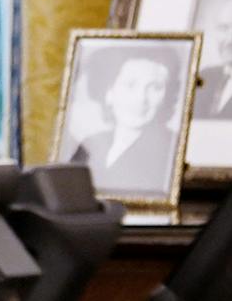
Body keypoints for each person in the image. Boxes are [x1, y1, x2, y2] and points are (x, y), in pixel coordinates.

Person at [70, 47, 179, 194]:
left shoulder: (171, 147)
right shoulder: (91, 143)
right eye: (130, 85)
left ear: (167, 97)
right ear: (109, 92)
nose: (141, 99)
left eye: (154, 88)